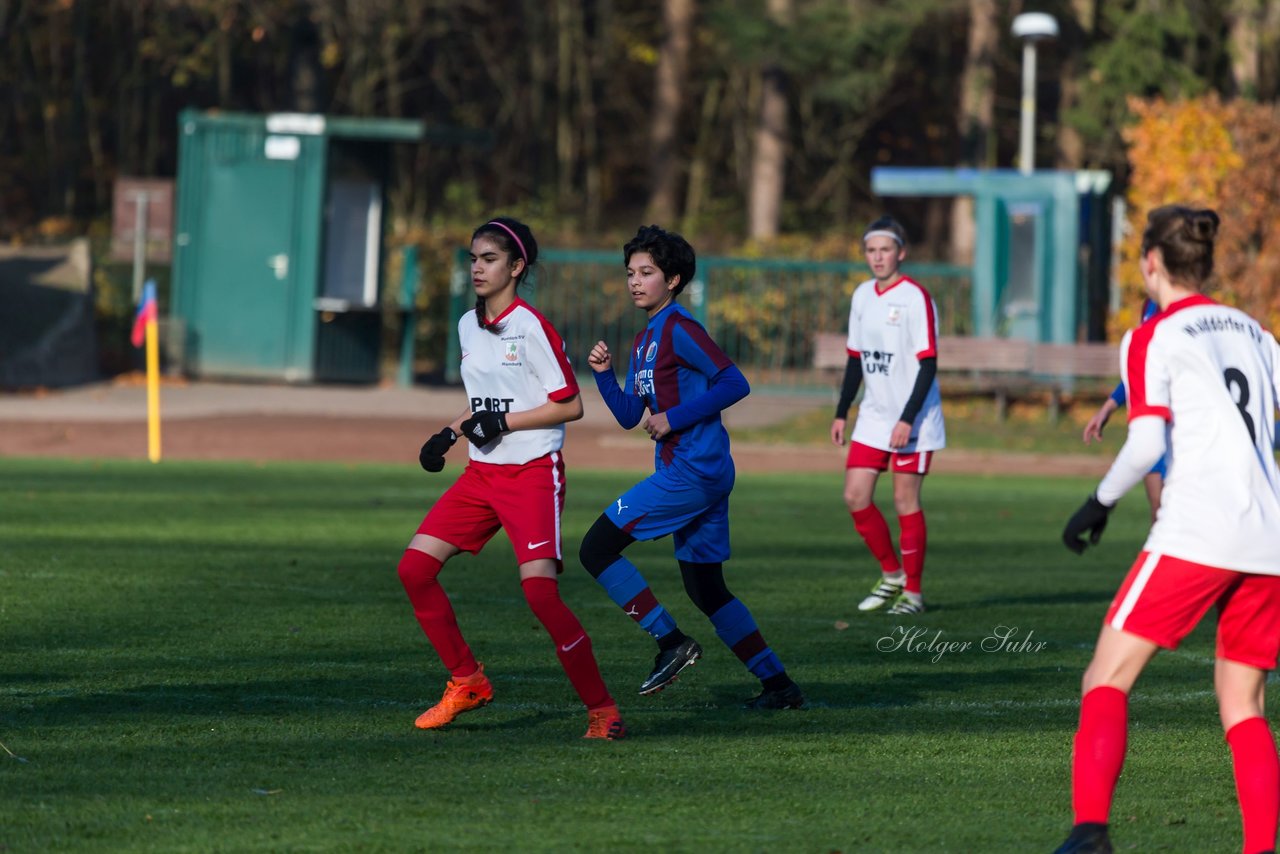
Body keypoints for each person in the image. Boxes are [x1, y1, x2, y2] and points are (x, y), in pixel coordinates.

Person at [1057, 205, 1280, 854]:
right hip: (1268, 538)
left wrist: (1097, 503)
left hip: (1196, 532)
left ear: (1151, 261)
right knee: (1243, 703)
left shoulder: (1151, 336)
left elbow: (1146, 438)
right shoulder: (1256, 332)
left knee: (1106, 677)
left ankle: (1090, 833)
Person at [397, 217, 626, 740]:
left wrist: (502, 423)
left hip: (531, 473)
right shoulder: (466, 325)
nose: (477, 267)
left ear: (517, 267)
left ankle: (603, 711)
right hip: (481, 473)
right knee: (414, 570)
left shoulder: (532, 326)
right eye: (473, 258)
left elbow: (569, 406)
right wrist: (450, 433)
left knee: (541, 596)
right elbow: (486, 402)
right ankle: (466, 680)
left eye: (489, 259)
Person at [578, 224, 805, 710]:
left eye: (647, 272)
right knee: (706, 587)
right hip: (697, 472)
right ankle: (779, 685)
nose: (635, 281)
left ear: (674, 279)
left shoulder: (681, 329)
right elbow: (627, 416)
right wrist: (602, 376)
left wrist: (673, 417)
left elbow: (734, 382)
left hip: (691, 471)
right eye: (631, 273)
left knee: (596, 548)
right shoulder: (644, 341)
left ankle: (670, 642)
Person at [831, 216, 945, 616]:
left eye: (885, 250)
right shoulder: (862, 295)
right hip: (874, 417)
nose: (877, 257)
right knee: (855, 494)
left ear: (901, 252)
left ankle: (912, 594)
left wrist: (907, 419)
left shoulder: (916, 298)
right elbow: (855, 358)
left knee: (903, 499)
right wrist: (842, 412)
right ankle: (891, 575)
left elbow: (928, 364)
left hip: (914, 419)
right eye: (871, 250)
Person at [1081, 298, 1165, 523]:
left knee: (1180, 511)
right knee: (1158, 508)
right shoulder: (1149, 304)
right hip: (1154, 423)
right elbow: (1141, 371)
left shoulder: (1183, 309)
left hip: (1180, 425)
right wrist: (1107, 408)